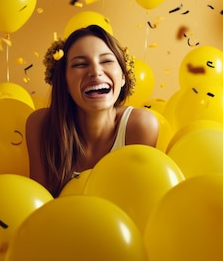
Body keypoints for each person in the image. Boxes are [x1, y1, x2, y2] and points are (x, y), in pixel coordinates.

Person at [26, 25, 160, 197]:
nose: (96, 72)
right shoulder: (39, 125)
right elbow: (39, 203)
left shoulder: (140, 126)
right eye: (80, 64)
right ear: (65, 82)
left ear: (123, 78)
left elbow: (139, 203)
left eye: (106, 61)